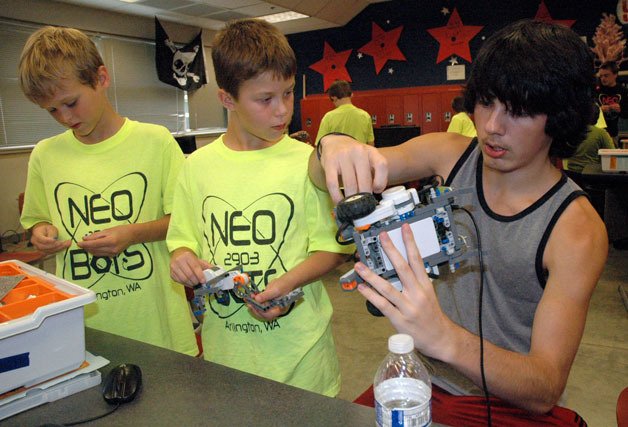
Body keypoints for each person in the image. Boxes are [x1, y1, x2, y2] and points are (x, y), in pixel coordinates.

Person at [309, 20, 607, 425]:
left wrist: (442, 336)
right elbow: (326, 174)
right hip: (425, 385)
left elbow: (544, 387)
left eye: (517, 111)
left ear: (558, 117)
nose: (492, 126)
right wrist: (332, 146)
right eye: (486, 103)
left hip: (512, 407)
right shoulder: (448, 155)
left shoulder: (576, 229)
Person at [166, 19, 353, 397]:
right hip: (228, 357)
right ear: (227, 99)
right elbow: (182, 240)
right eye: (265, 99)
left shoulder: (307, 163)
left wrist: (285, 286)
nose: (282, 111)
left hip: (302, 360)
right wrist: (183, 258)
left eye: (287, 93)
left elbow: (333, 248)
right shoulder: (196, 167)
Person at [18, 27, 198, 356]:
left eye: (70, 103)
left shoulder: (155, 141)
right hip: (84, 324)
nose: (65, 117)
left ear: (101, 78)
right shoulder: (45, 154)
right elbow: (37, 220)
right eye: (52, 111)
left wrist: (133, 234)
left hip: (155, 321)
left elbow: (184, 221)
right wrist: (41, 232)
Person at [315, 79, 374, 145]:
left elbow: (320, 146)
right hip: (361, 155)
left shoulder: (328, 117)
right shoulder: (365, 116)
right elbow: (371, 145)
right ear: (351, 95)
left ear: (333, 98)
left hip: (337, 155)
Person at [596, 61, 628, 142]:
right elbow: (589, 110)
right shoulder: (596, 90)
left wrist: (620, 109)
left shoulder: (623, 91)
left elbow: (626, 113)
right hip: (599, 132)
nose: (603, 78)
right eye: (601, 76)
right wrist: (600, 109)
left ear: (615, 75)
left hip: (615, 132)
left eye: (606, 75)